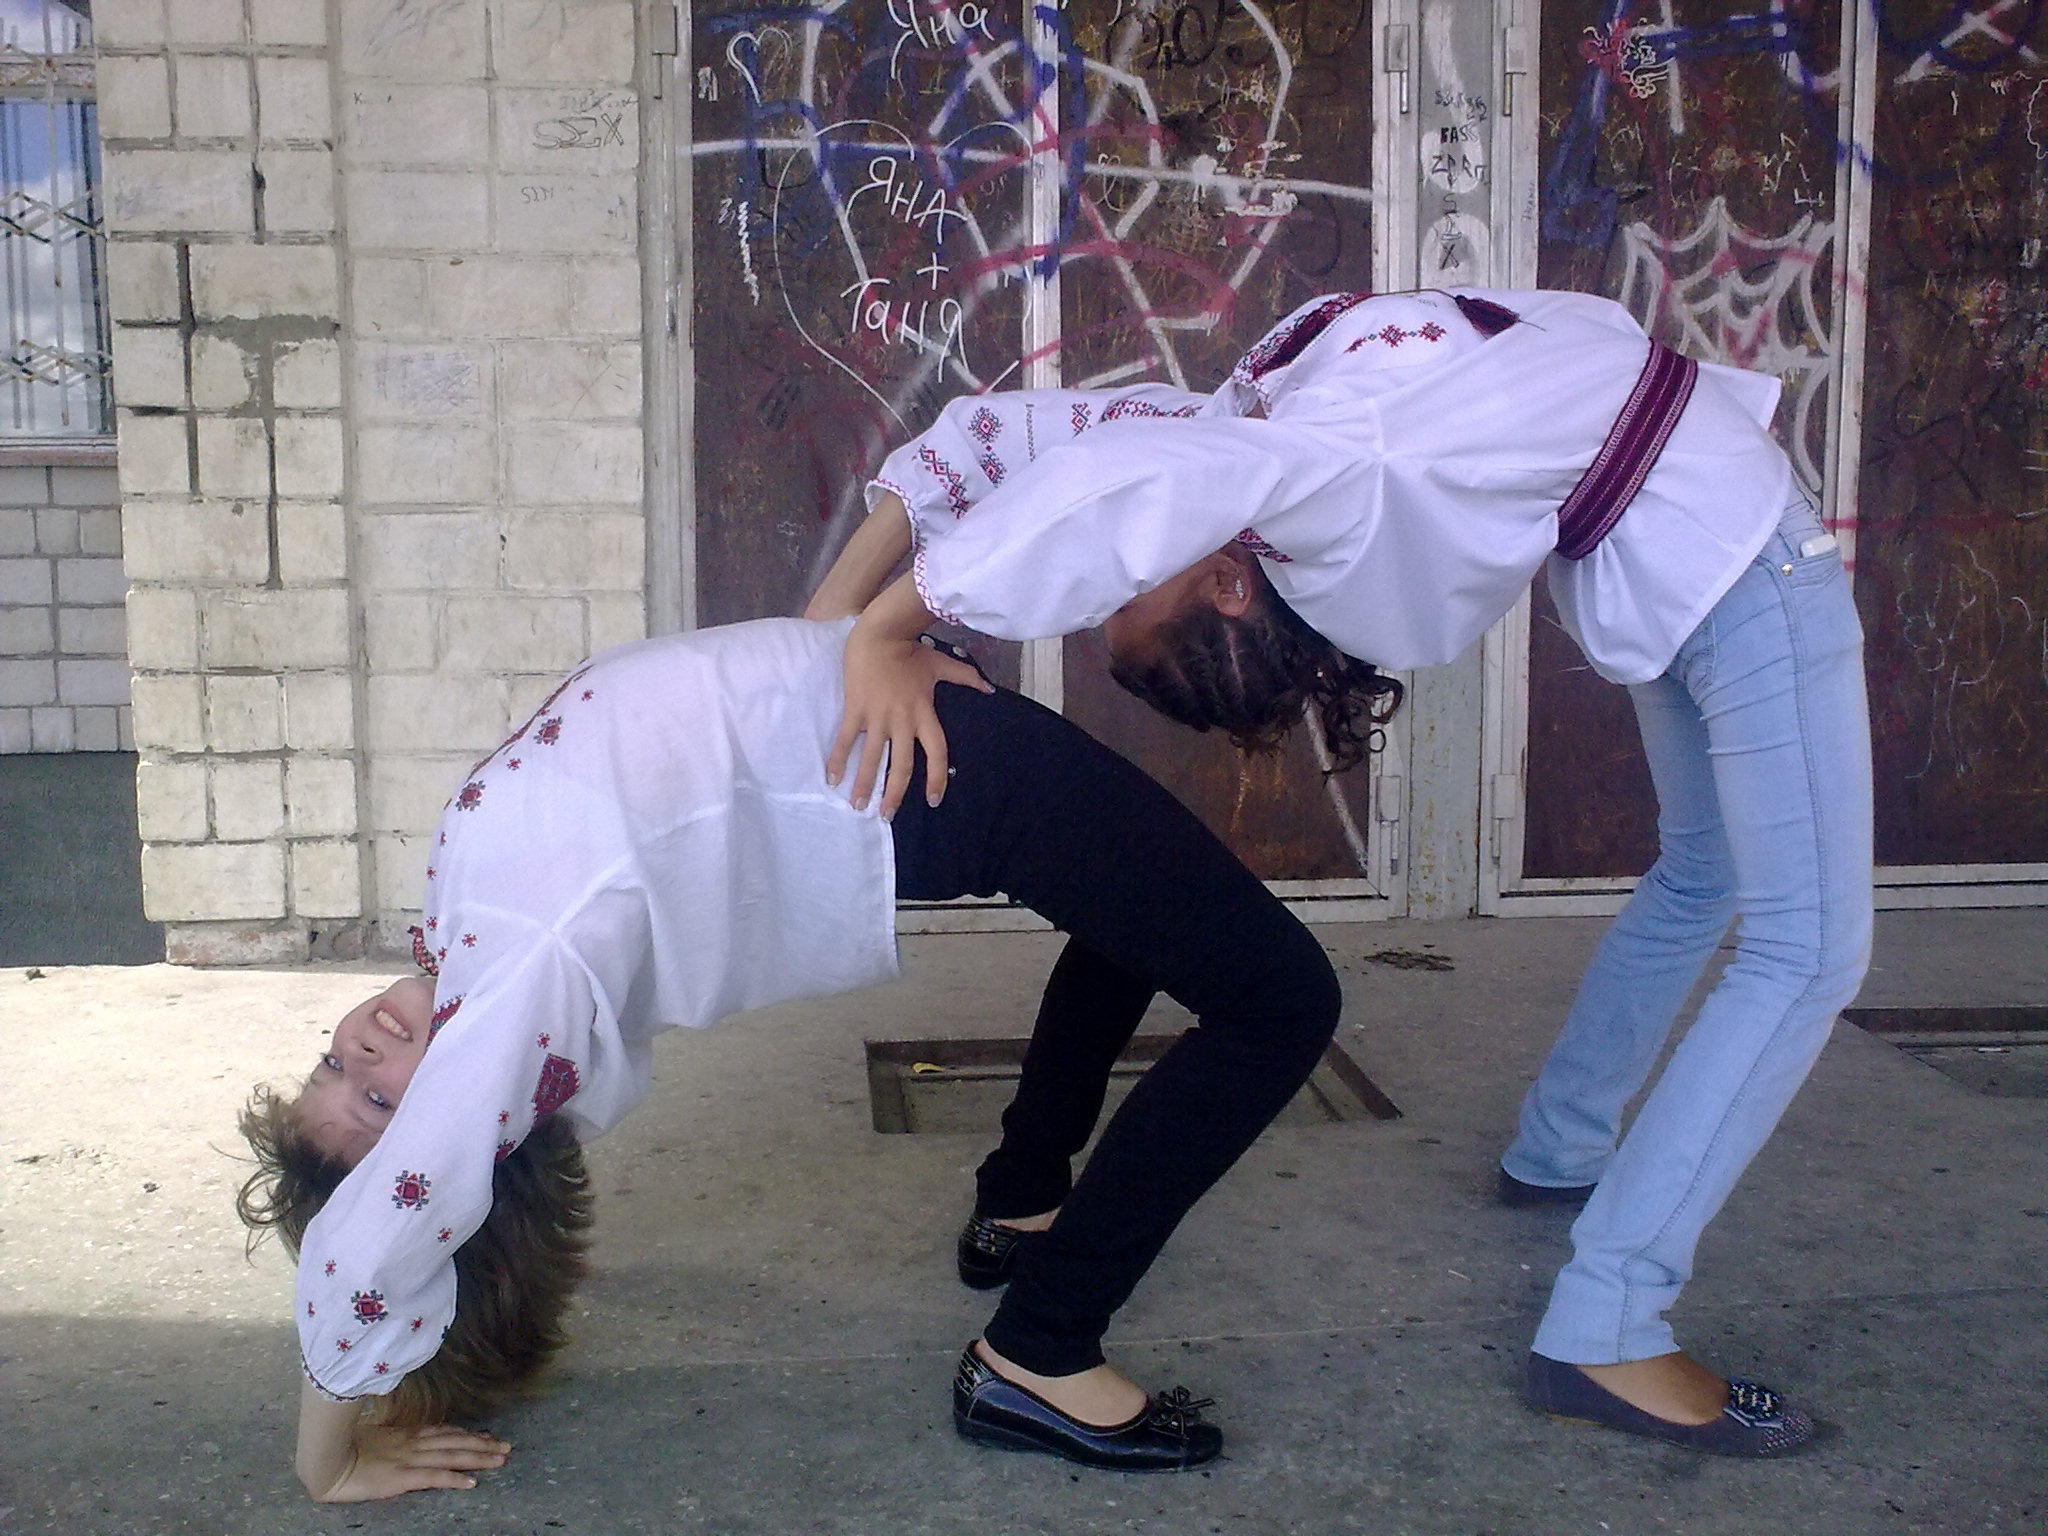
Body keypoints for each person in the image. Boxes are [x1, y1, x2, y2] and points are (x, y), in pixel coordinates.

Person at [822, 285, 1872, 1458]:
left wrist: (863, 627)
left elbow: (1046, 454)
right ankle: (1607, 1312)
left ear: (1226, 580)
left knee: (1725, 891)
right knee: (1788, 938)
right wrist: (848, 632)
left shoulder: (1278, 450)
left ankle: (1568, 1170)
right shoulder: (1285, 468)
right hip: (1706, 534)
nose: (1109, 578)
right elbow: (1062, 461)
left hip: (1689, 526)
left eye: (1119, 586)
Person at [236, 615, 1342, 1500]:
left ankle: (1022, 1202)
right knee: (1280, 1000)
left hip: (867, 717)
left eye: (330, 1071)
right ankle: (1041, 1354)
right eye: (380, 1104)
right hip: (912, 768)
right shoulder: (517, 984)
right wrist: (323, 1459)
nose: (361, 1049)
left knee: (1142, 913)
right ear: (457, 1143)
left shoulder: (465, 946)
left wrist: (858, 639)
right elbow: (371, 1240)